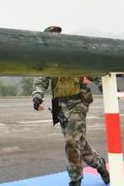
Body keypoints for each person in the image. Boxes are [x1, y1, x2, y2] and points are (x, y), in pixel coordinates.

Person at [32, 26, 110, 186]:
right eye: (52, 37)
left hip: (78, 103)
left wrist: (104, 84)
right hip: (61, 108)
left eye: (58, 36)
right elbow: (41, 79)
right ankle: (99, 164)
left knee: (72, 142)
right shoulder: (48, 60)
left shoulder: (74, 55)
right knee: (80, 144)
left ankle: (75, 180)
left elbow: (92, 71)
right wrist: (37, 95)